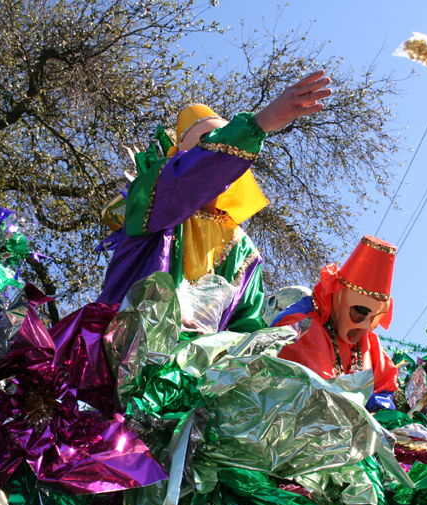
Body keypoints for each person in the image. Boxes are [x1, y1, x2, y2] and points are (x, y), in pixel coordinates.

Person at [97, 71, 332, 333]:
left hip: (193, 368)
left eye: (221, 141)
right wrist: (262, 122)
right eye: (203, 144)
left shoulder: (242, 248)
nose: (216, 149)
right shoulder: (153, 196)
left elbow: (245, 327)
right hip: (122, 349)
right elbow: (186, 178)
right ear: (179, 156)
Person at [271, 235, 400, 399]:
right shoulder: (299, 324)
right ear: (338, 296)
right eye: (361, 311)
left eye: (376, 318)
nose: (366, 326)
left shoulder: (370, 345)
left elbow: (385, 388)